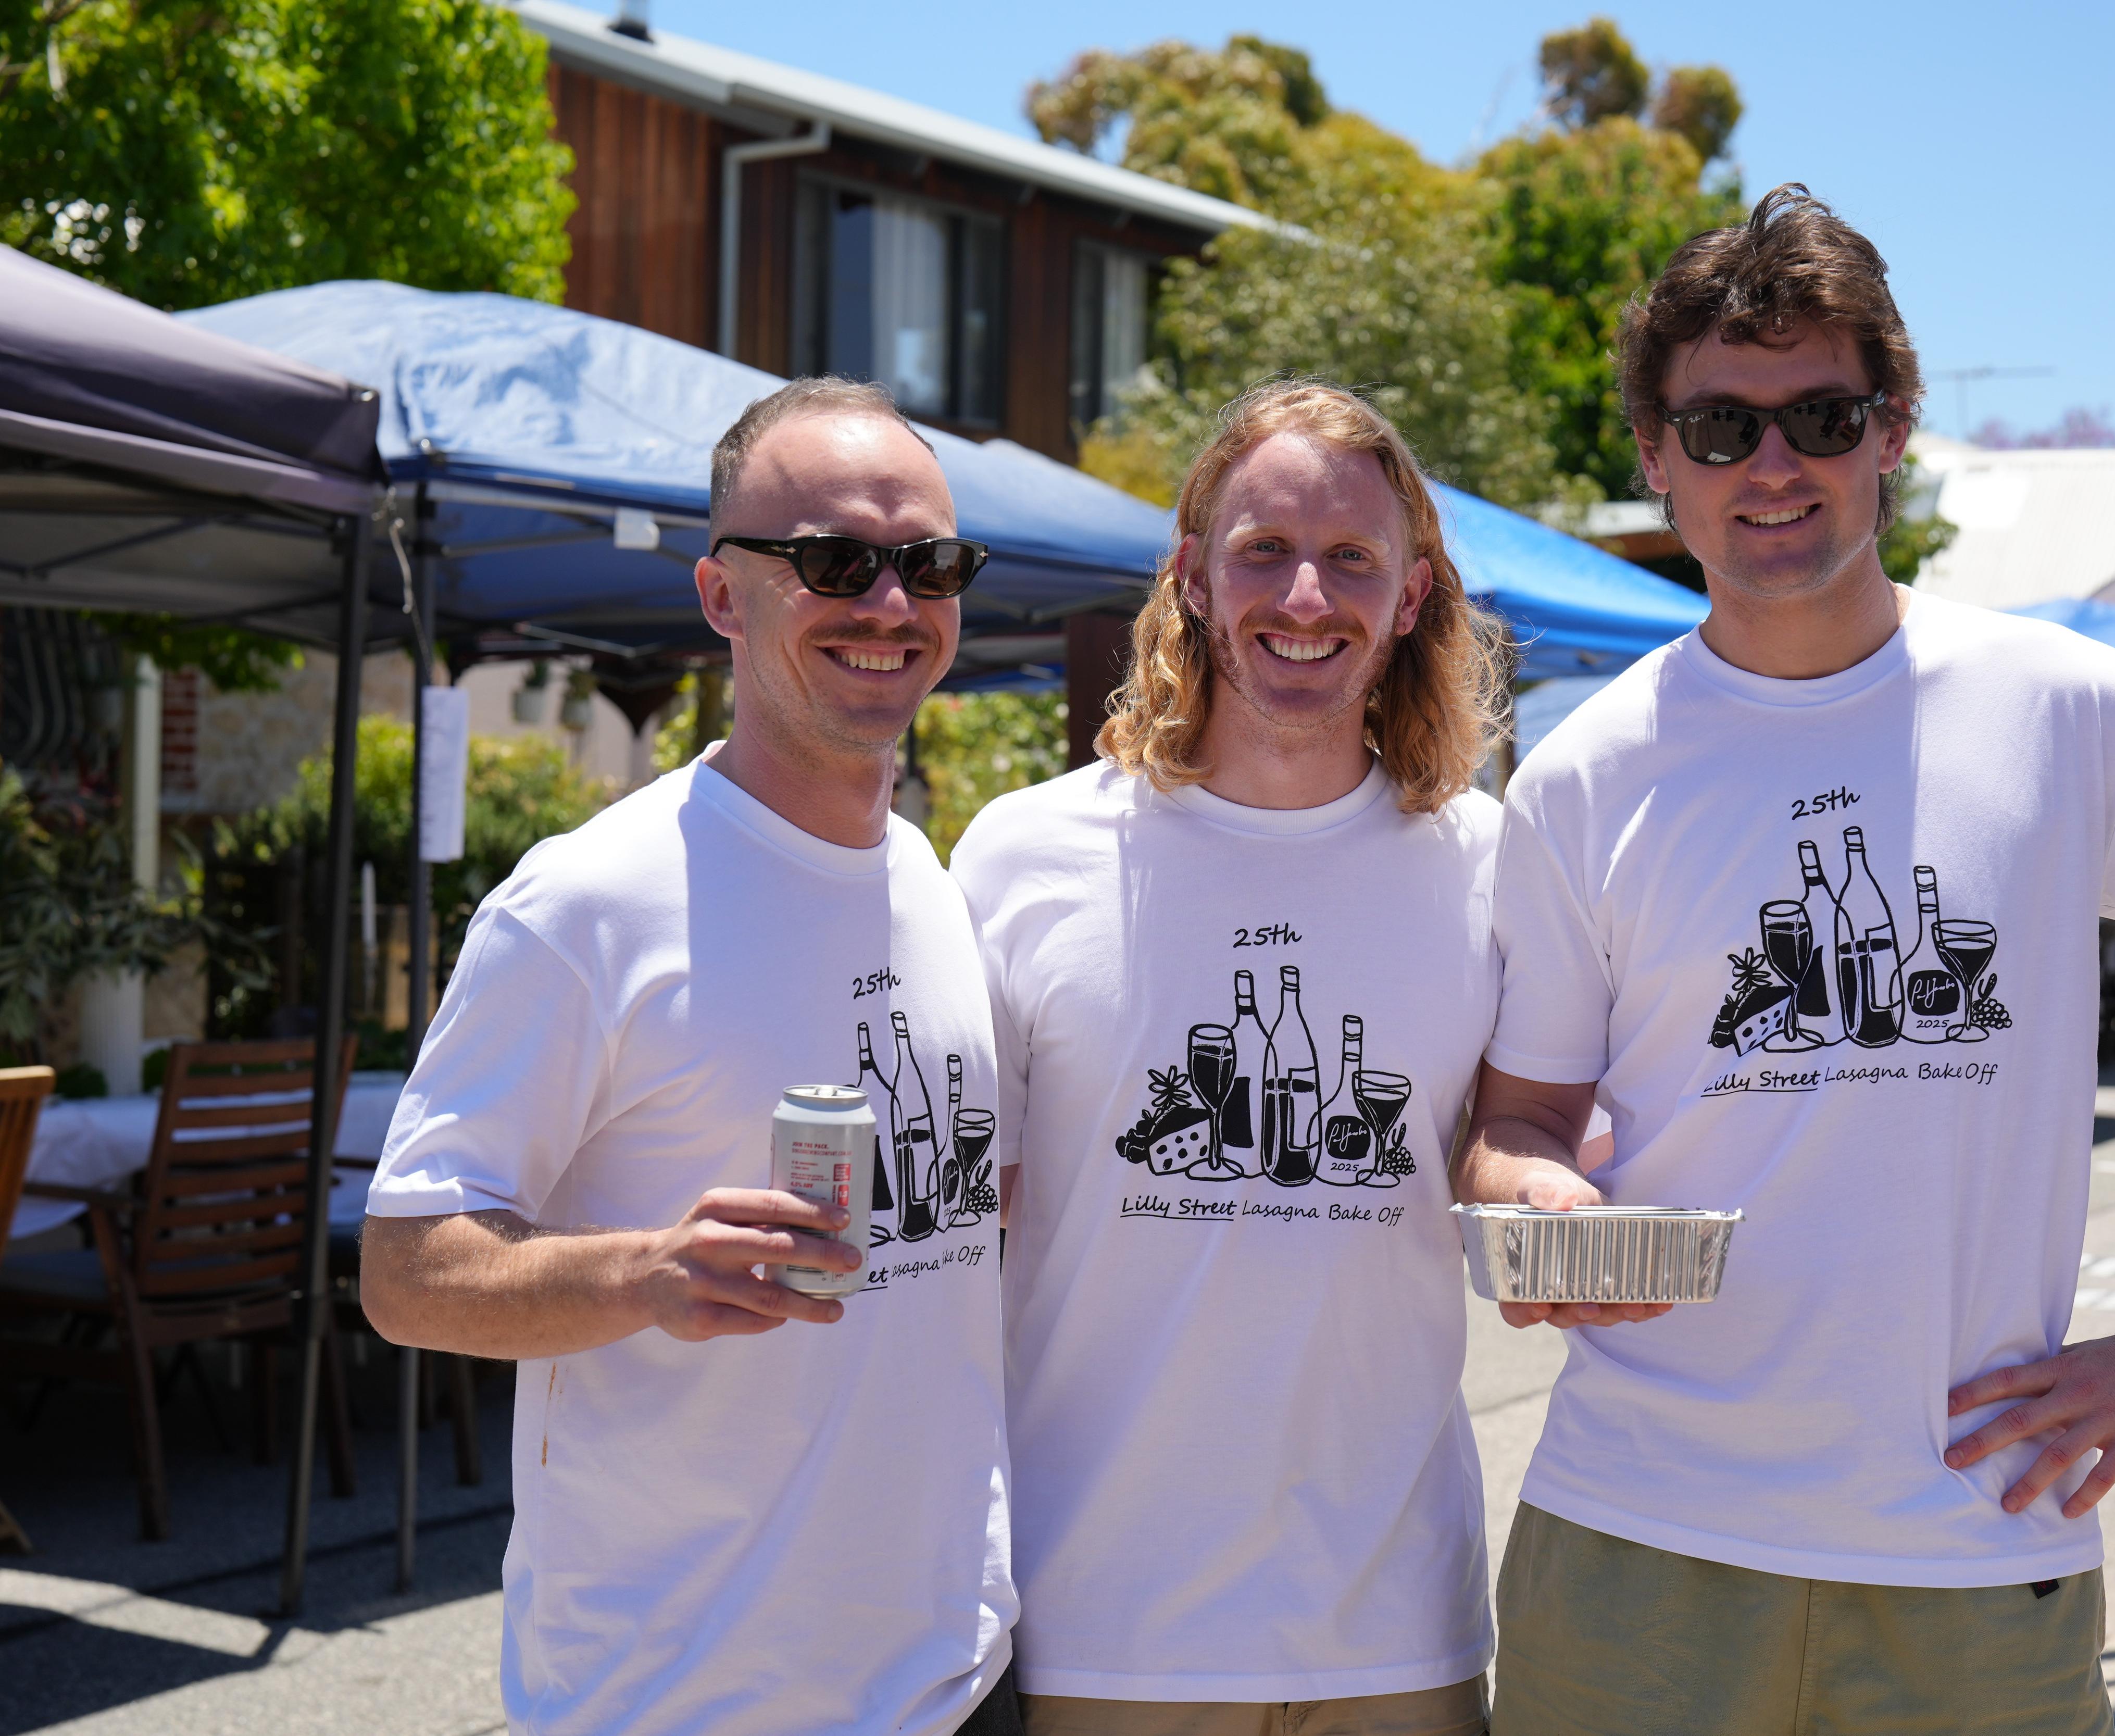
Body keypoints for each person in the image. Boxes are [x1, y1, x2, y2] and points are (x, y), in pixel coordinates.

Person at [1459, 186, 2115, 1734]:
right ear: (1653, 455)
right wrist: (1534, 1202)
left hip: (1971, 1544)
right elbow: (1518, 1115)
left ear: (1891, 429)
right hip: (1637, 1549)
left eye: (1819, 413)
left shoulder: (2067, 709)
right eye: (1717, 426)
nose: (1771, 465)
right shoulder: (1581, 772)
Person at [360, 379, 1021, 1736]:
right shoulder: (588, 903)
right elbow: (408, 1271)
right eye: (837, 562)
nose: (892, 604)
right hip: (681, 1699)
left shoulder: (936, 883)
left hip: (957, 1679)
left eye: (931, 565)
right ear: (725, 596)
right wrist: (643, 1269)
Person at [950, 382, 1506, 1736]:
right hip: (1105, 1626)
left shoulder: (1494, 869)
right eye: (1263, 549)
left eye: (1353, 558)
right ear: (1190, 578)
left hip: (1398, 1628)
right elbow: (954, 1235)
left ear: (1415, 593)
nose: (1305, 594)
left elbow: (1520, 1152)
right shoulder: (1023, 857)